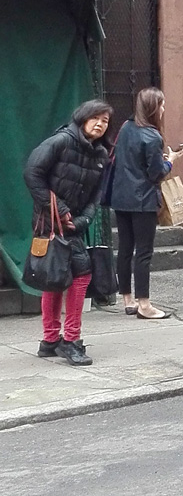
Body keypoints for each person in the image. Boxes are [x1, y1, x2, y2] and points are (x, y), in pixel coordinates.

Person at [24, 99, 113, 366]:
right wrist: (60, 209)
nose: (99, 124)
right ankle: (71, 341)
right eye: (95, 118)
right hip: (49, 222)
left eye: (105, 120)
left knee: (55, 276)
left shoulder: (100, 154)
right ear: (82, 118)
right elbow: (32, 173)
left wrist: (84, 219)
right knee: (80, 276)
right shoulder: (61, 141)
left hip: (74, 223)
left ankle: (50, 340)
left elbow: (96, 194)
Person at [110, 87, 183, 319]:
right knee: (143, 252)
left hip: (121, 197)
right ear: (153, 107)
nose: (163, 109)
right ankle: (144, 304)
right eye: (161, 105)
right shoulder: (153, 136)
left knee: (124, 249)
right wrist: (170, 161)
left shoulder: (126, 128)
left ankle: (127, 299)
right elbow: (156, 174)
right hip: (142, 200)